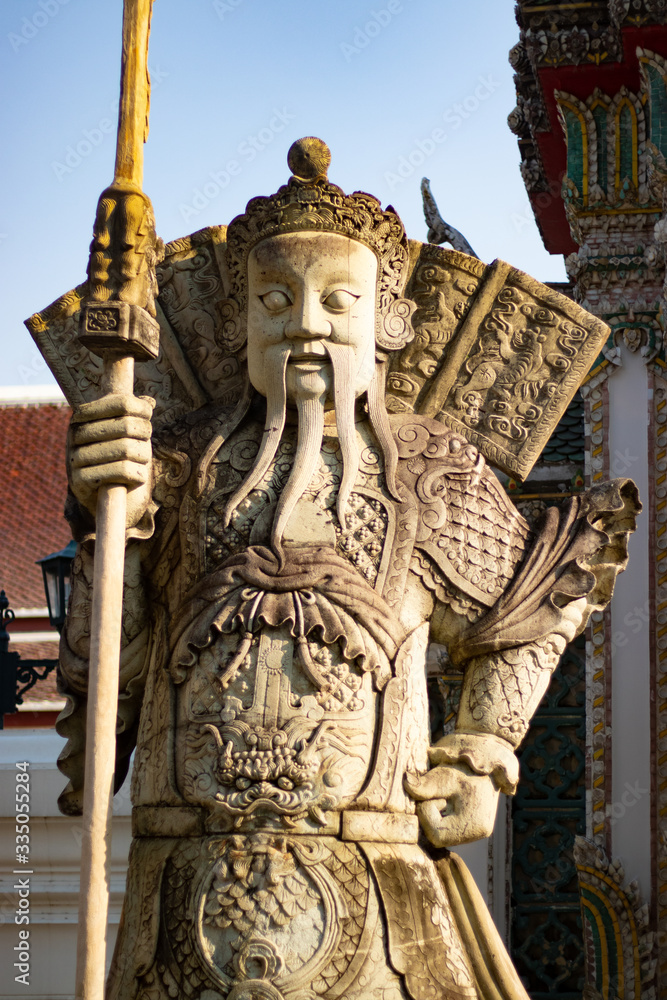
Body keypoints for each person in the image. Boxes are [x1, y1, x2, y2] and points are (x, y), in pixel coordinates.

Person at [58, 138, 639, 1000]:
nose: (304, 323)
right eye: (272, 301)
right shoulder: (174, 469)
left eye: (338, 301)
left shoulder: (428, 472)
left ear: (389, 322)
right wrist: (115, 525)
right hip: (185, 870)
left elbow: (532, 604)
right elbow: (122, 675)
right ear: (233, 324)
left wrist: (481, 750)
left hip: (371, 866)